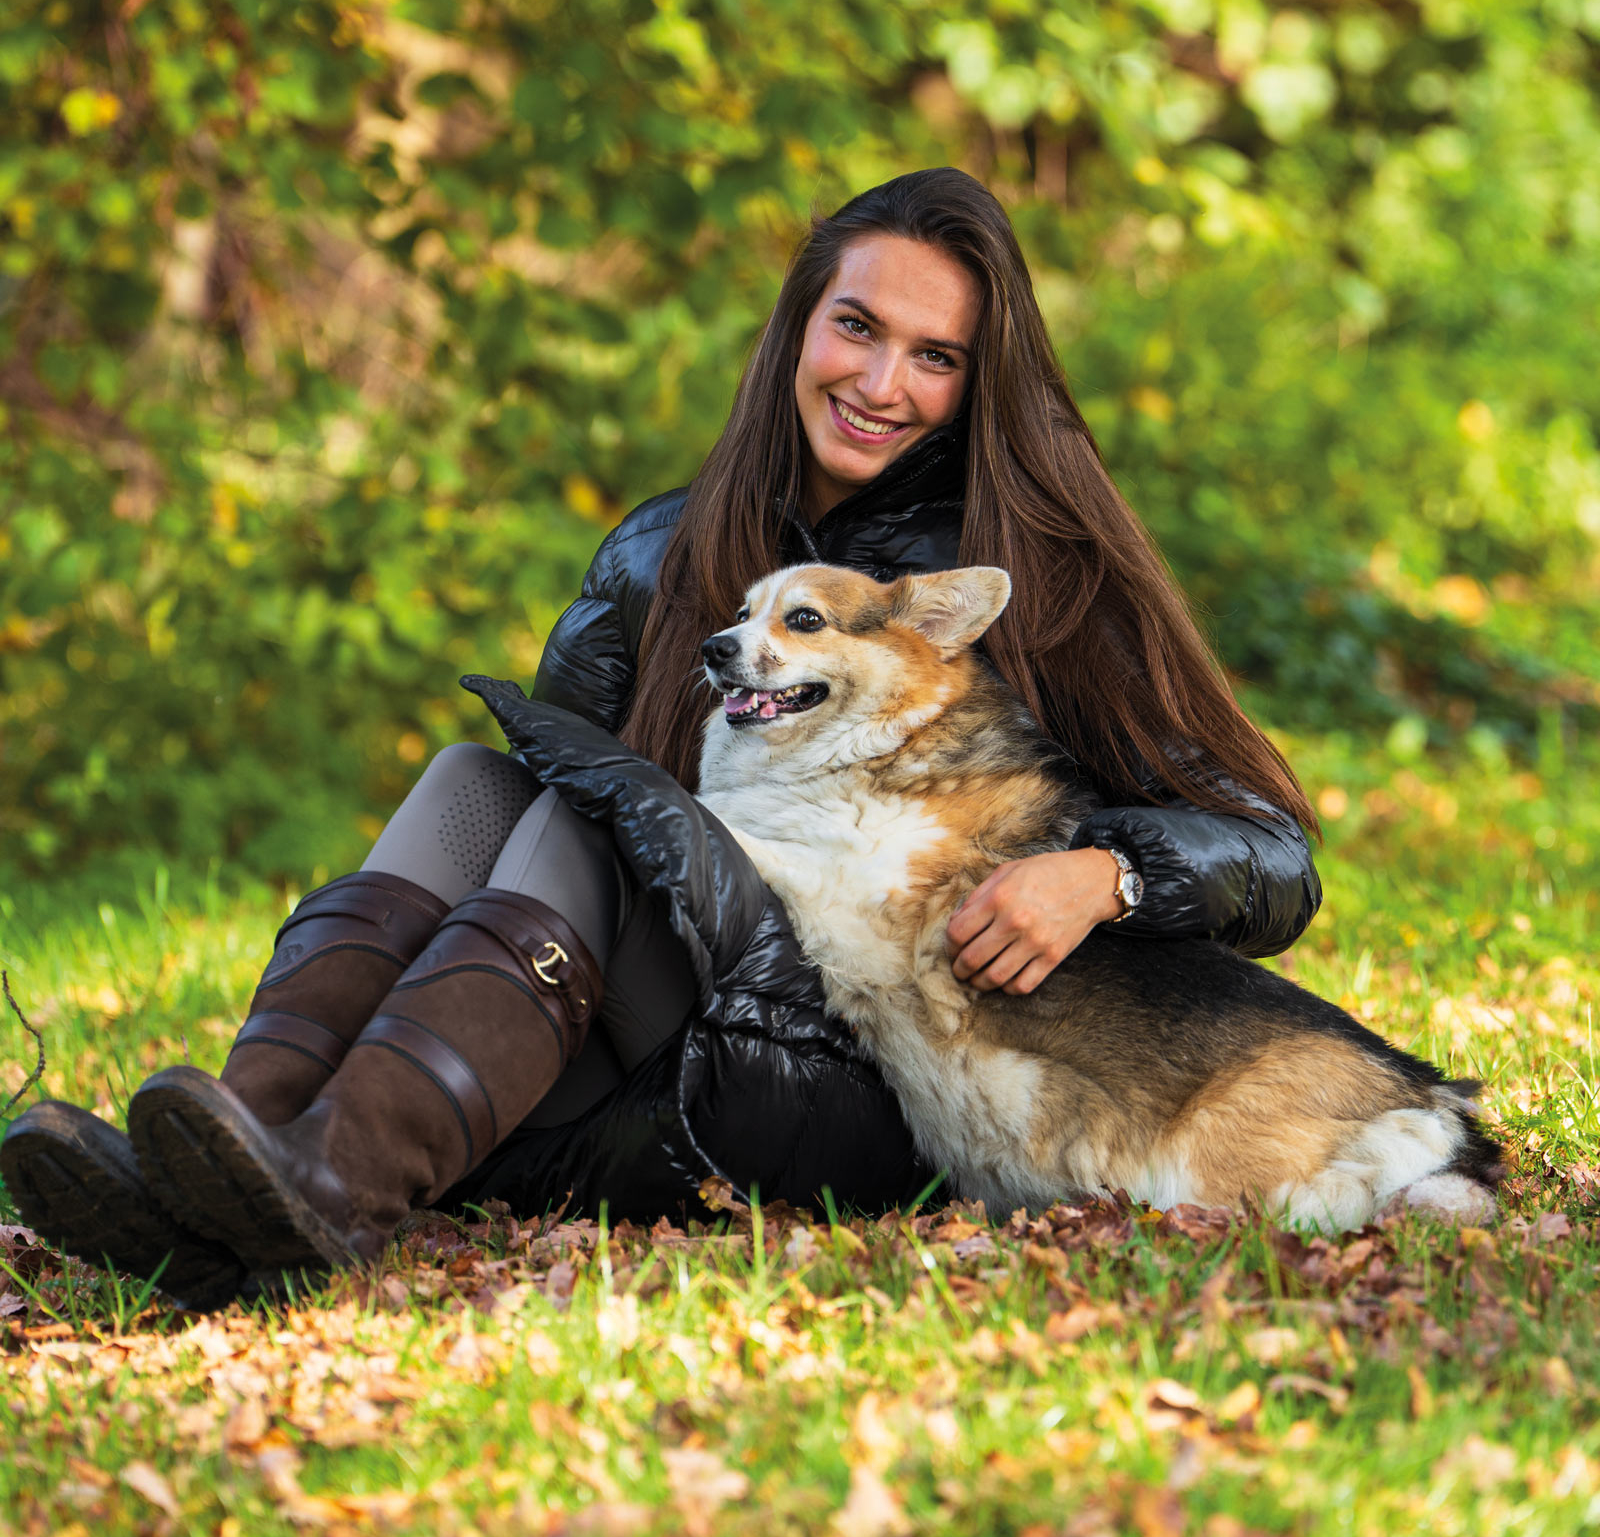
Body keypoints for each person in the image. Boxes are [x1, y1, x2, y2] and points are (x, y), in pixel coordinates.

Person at [2, 169, 1321, 1300]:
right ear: (796, 325)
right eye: (855, 327)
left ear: (981, 381)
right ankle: (245, 1157)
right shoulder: (656, 553)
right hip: (651, 1033)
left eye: (936, 356)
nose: (880, 382)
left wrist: (1104, 875)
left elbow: (1269, 853)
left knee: (579, 810)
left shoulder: (1034, 567)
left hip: (881, 1054)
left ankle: (314, 1185)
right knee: (481, 778)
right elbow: (518, 836)